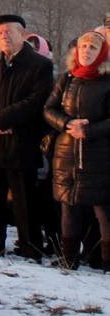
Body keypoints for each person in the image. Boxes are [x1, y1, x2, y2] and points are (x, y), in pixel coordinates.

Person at [0, 13, 54, 260]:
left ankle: (31, 247)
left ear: (23, 34)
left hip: (21, 142)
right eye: (0, 33)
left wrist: (2, 119)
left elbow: (35, 101)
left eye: (9, 32)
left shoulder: (40, 65)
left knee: (24, 201)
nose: (3, 36)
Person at [44, 29, 110, 270]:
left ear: (102, 52)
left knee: (103, 210)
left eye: (92, 48)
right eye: (83, 47)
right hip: (67, 153)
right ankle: (68, 259)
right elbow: (49, 110)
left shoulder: (107, 80)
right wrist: (67, 123)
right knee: (68, 205)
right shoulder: (67, 78)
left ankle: (105, 263)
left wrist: (89, 131)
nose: (86, 51)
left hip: (99, 156)